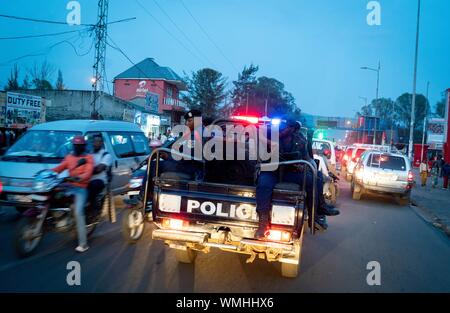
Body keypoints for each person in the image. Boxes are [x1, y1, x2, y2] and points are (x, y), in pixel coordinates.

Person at [255, 120, 339, 239]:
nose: (282, 129)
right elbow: (257, 134)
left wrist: (303, 164)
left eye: (286, 127)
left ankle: (316, 215)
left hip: (290, 172)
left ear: (293, 129)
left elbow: (306, 157)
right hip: (271, 171)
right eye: (282, 126)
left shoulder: (299, 140)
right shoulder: (270, 132)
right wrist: (268, 142)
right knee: (263, 184)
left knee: (314, 179)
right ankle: (263, 223)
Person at [52, 136, 94, 253]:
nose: (77, 147)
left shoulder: (88, 158)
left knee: (78, 212)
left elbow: (88, 173)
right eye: (75, 145)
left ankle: (83, 243)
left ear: (84, 146)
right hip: (69, 186)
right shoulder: (69, 157)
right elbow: (59, 167)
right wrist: (48, 173)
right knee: (52, 197)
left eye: (80, 146)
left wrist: (78, 178)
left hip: (81, 188)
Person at [88, 134, 112, 214]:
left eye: (98, 141)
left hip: (100, 180)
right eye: (94, 141)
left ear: (102, 143)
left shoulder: (106, 155)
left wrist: (86, 170)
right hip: (86, 178)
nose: (96, 143)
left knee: (92, 185)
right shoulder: (89, 154)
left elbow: (99, 169)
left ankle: (93, 209)